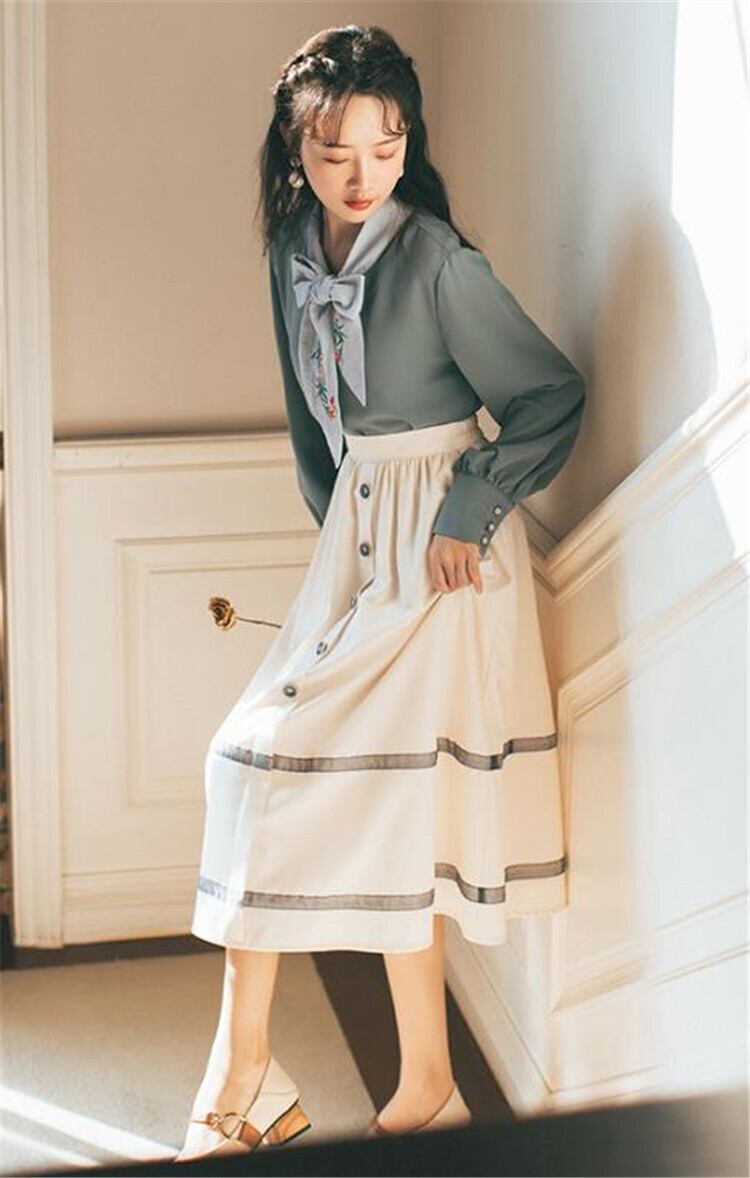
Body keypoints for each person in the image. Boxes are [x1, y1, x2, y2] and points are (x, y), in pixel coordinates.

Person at [176, 23, 586, 1163]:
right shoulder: (290, 254)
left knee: (287, 771)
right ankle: (426, 1087)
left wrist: (467, 510)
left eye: (386, 148)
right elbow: (314, 427)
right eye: (335, 154)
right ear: (294, 153)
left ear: (411, 140)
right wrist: (342, 553)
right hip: (359, 555)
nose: (363, 176)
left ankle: (244, 1080)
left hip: (446, 557)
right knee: (293, 775)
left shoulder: (438, 261)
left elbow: (549, 394)